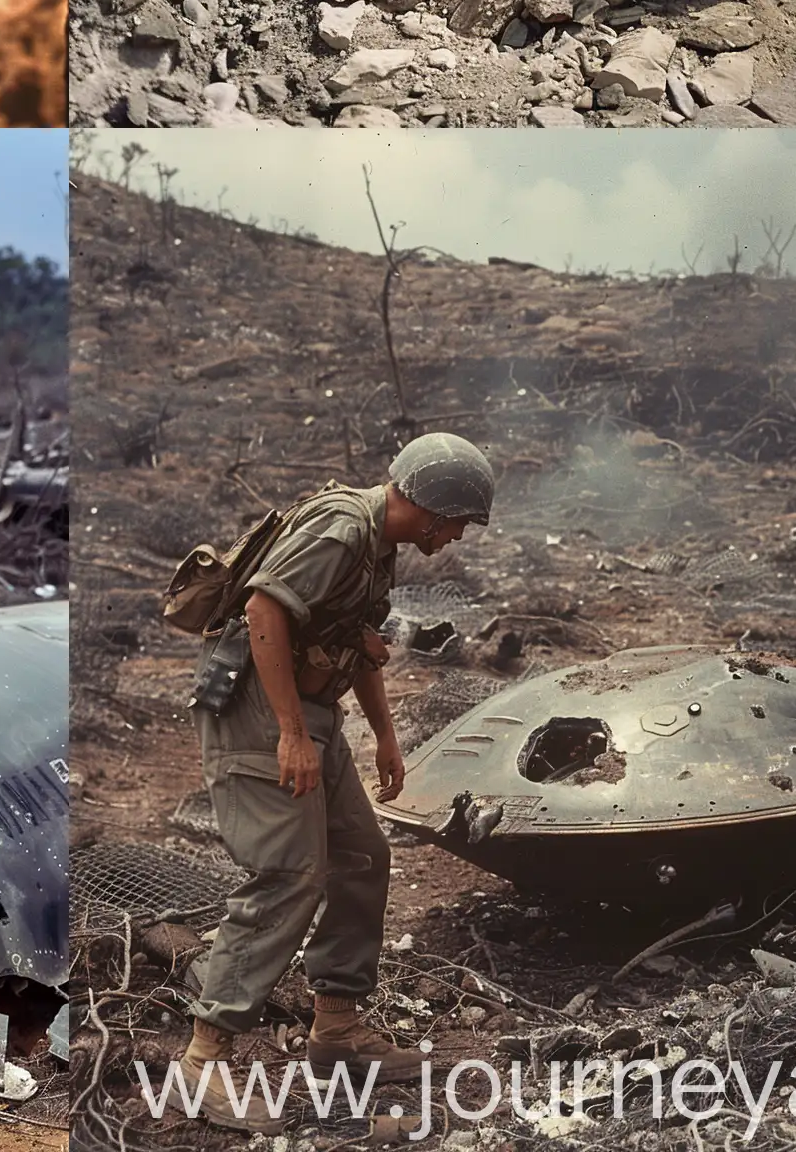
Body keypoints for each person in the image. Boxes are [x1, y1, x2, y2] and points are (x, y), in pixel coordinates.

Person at [177, 434, 496, 1130]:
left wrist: (383, 735)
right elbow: (264, 610)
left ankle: (337, 1028)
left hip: (310, 710)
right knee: (289, 873)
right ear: (435, 510)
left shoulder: (376, 545)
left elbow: (358, 644)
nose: (457, 538)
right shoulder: (344, 526)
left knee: (361, 855)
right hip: (261, 713)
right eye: (461, 523)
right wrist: (290, 732)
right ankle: (203, 1060)